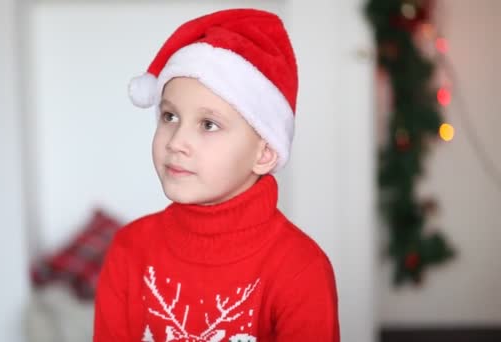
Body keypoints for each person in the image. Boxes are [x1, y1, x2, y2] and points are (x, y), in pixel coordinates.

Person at [94, 8, 340, 342]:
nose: (177, 141)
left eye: (208, 124)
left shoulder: (301, 270)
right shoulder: (128, 251)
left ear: (264, 153)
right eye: (169, 116)